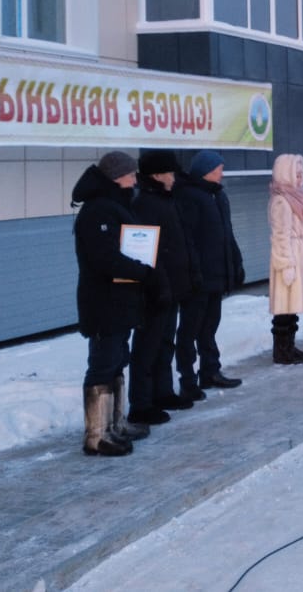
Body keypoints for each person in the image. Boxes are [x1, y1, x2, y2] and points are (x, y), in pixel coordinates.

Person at [71, 151, 153, 457]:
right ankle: (96, 434)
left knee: (118, 357)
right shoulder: (97, 211)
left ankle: (115, 423)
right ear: (116, 176)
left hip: (121, 298)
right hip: (103, 300)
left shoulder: (114, 204)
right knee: (103, 362)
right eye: (130, 174)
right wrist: (141, 270)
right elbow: (105, 258)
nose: (135, 179)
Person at [127, 150, 194, 425]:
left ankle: (162, 392)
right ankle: (141, 404)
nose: (174, 177)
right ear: (156, 175)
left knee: (165, 342)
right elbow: (148, 251)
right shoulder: (145, 204)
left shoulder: (166, 200)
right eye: (170, 172)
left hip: (172, 288)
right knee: (147, 346)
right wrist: (158, 283)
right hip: (154, 289)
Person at [174, 150, 245, 397]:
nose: (221, 172)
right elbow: (188, 240)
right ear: (206, 170)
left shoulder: (218, 195)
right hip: (198, 277)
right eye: (218, 168)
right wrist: (192, 272)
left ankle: (210, 372)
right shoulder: (190, 196)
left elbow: (228, 234)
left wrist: (236, 263)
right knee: (189, 329)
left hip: (216, 274)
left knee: (209, 327)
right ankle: (187, 379)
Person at [269, 154, 303, 364]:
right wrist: (286, 265)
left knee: (291, 306)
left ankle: (290, 347)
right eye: (296, 175)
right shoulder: (281, 201)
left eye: (301, 174)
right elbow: (280, 236)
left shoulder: (294, 196)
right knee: (284, 308)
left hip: (298, 255)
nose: (300, 179)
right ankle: (281, 351)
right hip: (288, 259)